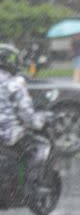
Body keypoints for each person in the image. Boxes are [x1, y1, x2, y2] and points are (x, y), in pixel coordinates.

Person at [0, 47, 50, 194]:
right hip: (7, 134)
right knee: (40, 146)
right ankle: (31, 186)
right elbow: (27, 114)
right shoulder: (13, 83)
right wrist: (39, 121)